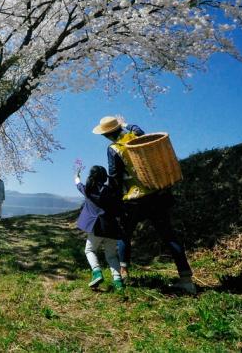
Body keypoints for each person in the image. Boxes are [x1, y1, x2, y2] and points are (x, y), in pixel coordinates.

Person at [93, 115, 196, 294]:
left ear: (106, 135)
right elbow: (138, 129)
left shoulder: (113, 149)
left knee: (124, 236)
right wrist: (125, 123)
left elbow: (115, 177)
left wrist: (111, 197)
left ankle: (124, 274)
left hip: (133, 200)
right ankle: (186, 280)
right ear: (119, 127)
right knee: (169, 235)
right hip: (155, 194)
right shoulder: (136, 137)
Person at [74, 165, 125, 292]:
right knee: (112, 256)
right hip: (112, 227)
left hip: (96, 227)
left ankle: (97, 272)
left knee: (89, 250)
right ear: (104, 178)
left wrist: (76, 176)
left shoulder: (88, 191)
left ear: (91, 176)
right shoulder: (110, 191)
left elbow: (78, 184)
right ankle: (118, 282)